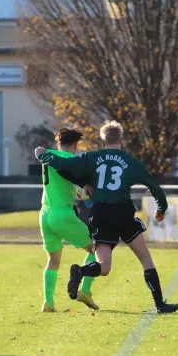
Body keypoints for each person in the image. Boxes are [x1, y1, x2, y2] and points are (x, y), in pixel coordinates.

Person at [35, 120, 178, 314]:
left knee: (103, 266)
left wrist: (44, 156)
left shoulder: (92, 157)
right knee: (145, 258)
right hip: (122, 213)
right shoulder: (130, 161)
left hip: (98, 214)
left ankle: (81, 272)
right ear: (121, 140)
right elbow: (153, 186)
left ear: (102, 142)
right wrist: (161, 208)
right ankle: (160, 304)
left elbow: (64, 165)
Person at [38, 126, 100, 313]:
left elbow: (39, 150)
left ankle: (48, 303)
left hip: (44, 214)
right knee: (96, 248)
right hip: (62, 214)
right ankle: (85, 291)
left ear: (58, 143)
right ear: (75, 144)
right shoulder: (74, 160)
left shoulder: (47, 156)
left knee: (53, 261)